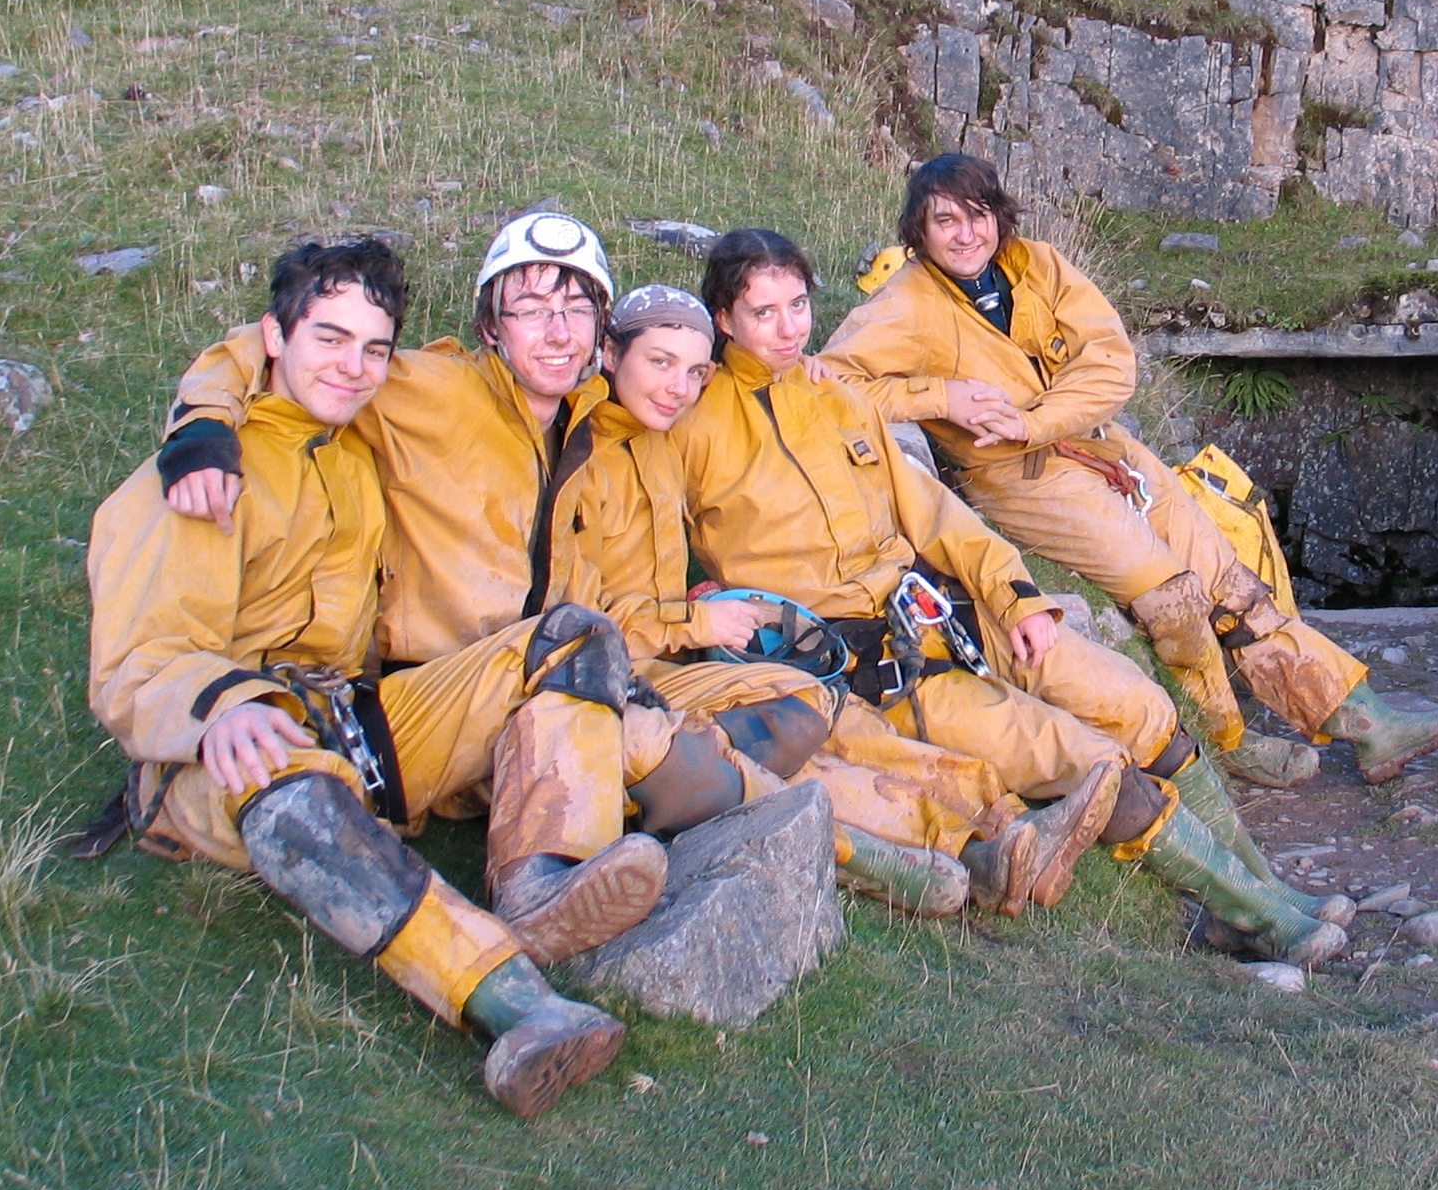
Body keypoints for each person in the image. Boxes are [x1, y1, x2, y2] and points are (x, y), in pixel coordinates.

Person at [671, 229, 1347, 967]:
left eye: (798, 305)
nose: (788, 329)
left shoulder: (837, 398)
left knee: (1138, 703)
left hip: (947, 611)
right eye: (763, 312)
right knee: (1088, 760)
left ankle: (1267, 887)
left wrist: (1016, 596)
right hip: (866, 666)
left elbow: (933, 513)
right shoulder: (690, 424)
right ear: (724, 319)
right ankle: (1252, 915)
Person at [152, 211, 820, 954]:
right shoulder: (428, 392)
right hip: (445, 692)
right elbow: (291, 345)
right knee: (594, 672)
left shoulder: (591, 418)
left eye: (576, 310)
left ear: (600, 333)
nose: (557, 333)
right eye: (531, 310)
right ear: (490, 326)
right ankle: (561, 870)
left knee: (797, 698)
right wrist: (201, 424)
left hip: (557, 678)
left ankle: (651, 786)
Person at [85, 238, 625, 1118]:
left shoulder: (350, 450)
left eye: (374, 349)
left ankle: (545, 885)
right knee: (287, 781)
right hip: (225, 752)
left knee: (573, 637)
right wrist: (225, 706)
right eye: (329, 340)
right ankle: (518, 1007)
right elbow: (136, 662)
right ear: (275, 340)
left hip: (352, 718)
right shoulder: (200, 477)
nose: (353, 367)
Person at [821, 154, 1438, 793]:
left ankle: (1366, 723)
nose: (967, 234)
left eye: (978, 214)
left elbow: (1110, 363)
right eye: (945, 220)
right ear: (919, 229)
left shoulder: (1039, 265)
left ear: (999, 216)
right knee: (1171, 595)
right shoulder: (906, 302)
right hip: (1022, 479)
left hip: (1107, 450)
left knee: (1229, 581)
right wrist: (941, 398)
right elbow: (830, 383)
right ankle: (1228, 742)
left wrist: (1035, 420)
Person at [567, 282, 1097, 918]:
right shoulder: (587, 457)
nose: (678, 387)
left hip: (677, 650)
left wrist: (793, 373)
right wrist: (692, 619)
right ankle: (962, 849)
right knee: (802, 739)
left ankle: (1002, 831)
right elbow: (575, 622)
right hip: (624, 675)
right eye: (659, 363)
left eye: (693, 371)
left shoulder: (662, 433)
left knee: (831, 713)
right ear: (609, 354)